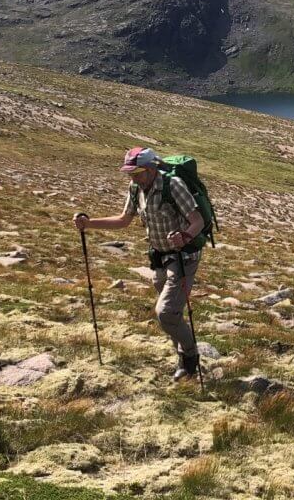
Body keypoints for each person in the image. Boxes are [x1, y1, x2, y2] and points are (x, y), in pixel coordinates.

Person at [73, 147, 207, 381]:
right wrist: (89, 223)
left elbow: (198, 220)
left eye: (137, 173)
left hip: (183, 257)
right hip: (159, 258)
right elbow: (124, 220)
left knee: (165, 312)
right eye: (130, 173)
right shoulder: (136, 188)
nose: (133, 177)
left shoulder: (172, 185)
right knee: (171, 314)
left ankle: (190, 358)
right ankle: (183, 359)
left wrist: (184, 236)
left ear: (152, 168)